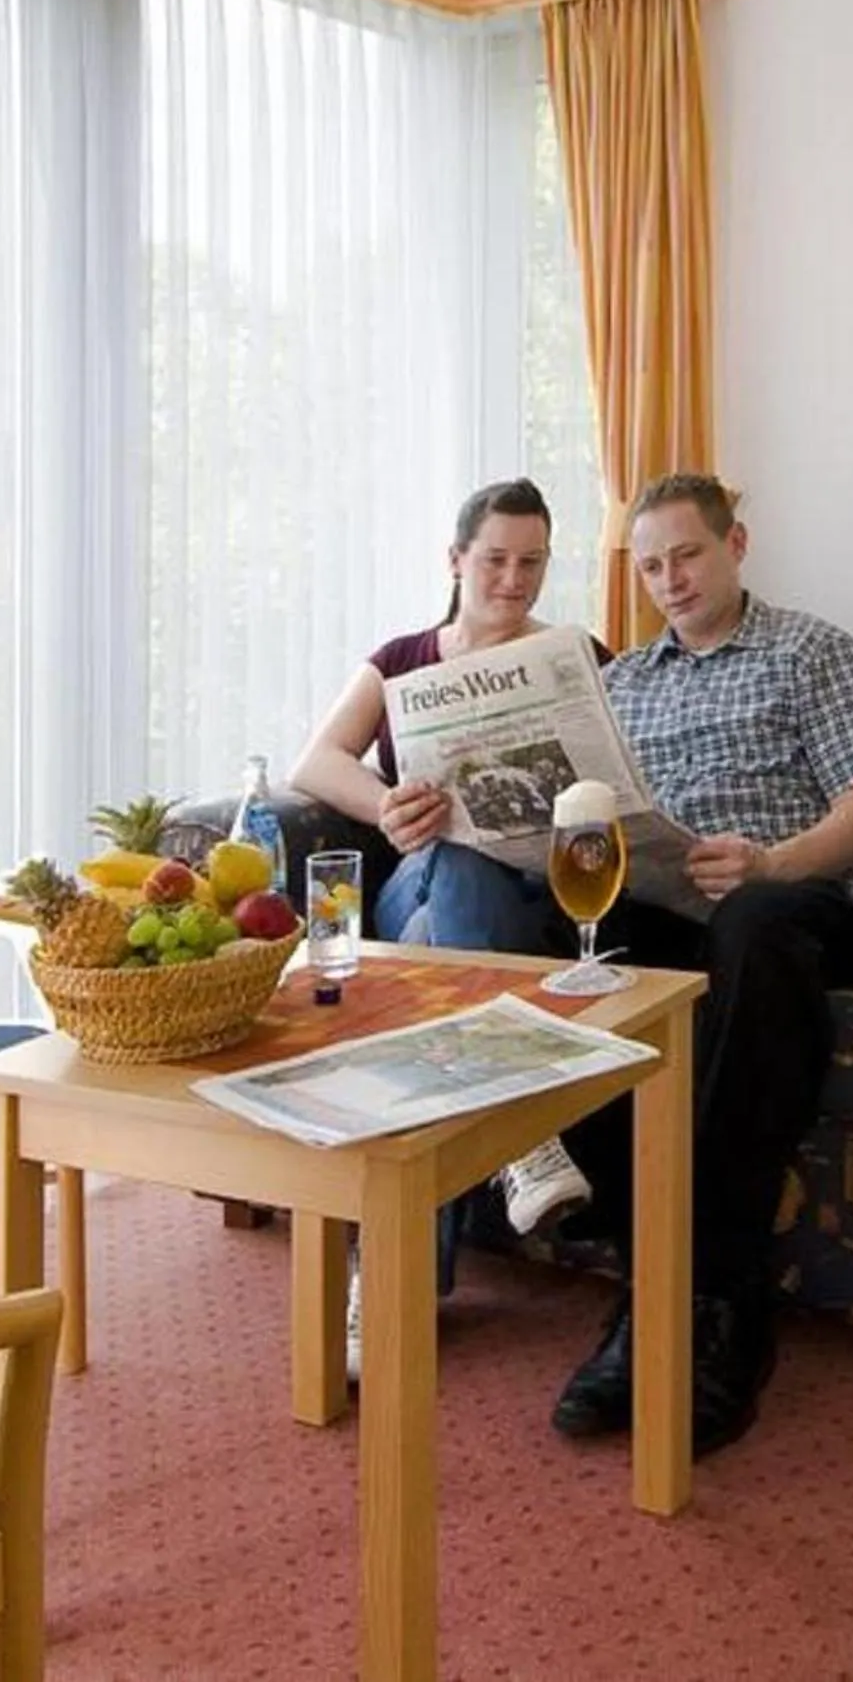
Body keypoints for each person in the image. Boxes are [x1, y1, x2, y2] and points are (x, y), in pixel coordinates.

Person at [391, 472, 853, 1457]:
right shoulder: (619, 680)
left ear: (736, 544)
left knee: (750, 923)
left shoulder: (812, 649)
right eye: (652, 562)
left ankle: (708, 1303)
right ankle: (657, 1283)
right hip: (667, 906)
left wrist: (770, 861)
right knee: (556, 952)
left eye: (688, 554)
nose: (669, 578)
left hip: (799, 902)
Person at [288, 479, 608, 1367]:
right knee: (454, 862)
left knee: (428, 976)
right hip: (418, 879)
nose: (514, 579)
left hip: (528, 904)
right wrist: (388, 806)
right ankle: (524, 1128)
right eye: (496, 559)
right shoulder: (402, 657)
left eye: (532, 562)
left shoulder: (576, 654)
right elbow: (316, 761)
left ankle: (384, 1288)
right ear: (456, 560)